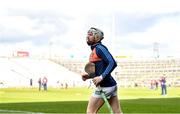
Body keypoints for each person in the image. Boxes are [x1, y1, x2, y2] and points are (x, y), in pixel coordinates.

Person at [82, 27, 122, 114]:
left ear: (97, 37)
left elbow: (112, 62)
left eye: (90, 35)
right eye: (87, 35)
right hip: (111, 85)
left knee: (91, 112)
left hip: (105, 86)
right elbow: (100, 69)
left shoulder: (99, 48)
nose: (87, 37)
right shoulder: (95, 49)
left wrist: (101, 77)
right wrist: (88, 76)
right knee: (117, 112)